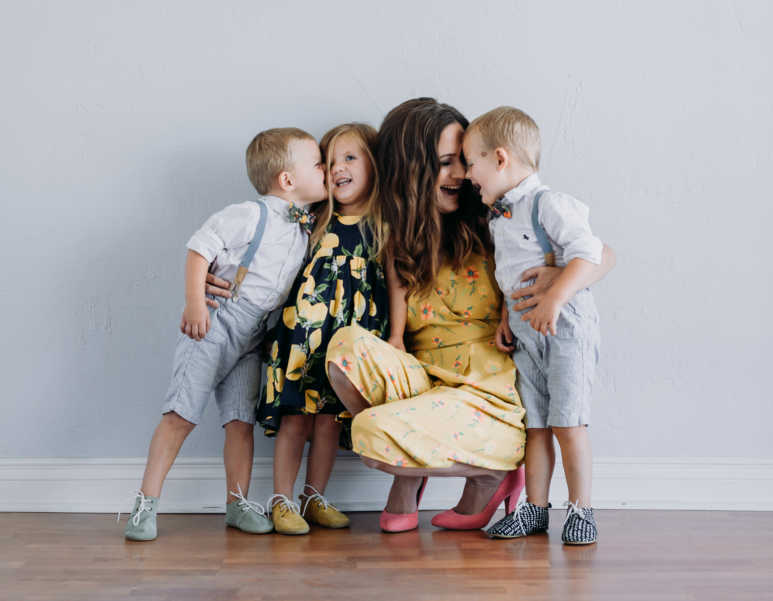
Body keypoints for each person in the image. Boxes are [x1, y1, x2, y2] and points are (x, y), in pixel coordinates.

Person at [324, 97, 615, 533]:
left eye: (464, 161)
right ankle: (417, 468)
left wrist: (556, 278)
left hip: (486, 395)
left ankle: (488, 474)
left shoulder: (496, 216)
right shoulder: (398, 235)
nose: (461, 174)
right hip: (425, 382)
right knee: (345, 346)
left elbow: (602, 253)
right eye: (446, 163)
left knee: (372, 430)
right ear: (412, 169)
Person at [123, 128, 325, 541]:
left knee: (240, 420)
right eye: (318, 163)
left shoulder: (305, 228)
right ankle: (145, 504)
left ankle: (237, 503)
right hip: (218, 322)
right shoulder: (250, 214)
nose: (325, 168)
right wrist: (196, 302)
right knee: (181, 413)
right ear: (287, 180)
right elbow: (201, 248)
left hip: (255, 335)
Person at [463, 106, 606, 545]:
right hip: (526, 330)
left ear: (500, 158)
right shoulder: (499, 216)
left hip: (564, 327)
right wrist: (509, 316)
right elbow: (513, 275)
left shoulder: (550, 204)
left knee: (569, 422)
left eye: (472, 163)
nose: (470, 175)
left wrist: (555, 299)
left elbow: (589, 254)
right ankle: (535, 509)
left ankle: (581, 508)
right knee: (537, 426)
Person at [256, 123, 389, 535]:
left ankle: (313, 496)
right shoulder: (313, 217)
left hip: (349, 340)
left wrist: (395, 336)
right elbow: (270, 255)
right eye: (328, 162)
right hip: (303, 336)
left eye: (350, 158)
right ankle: (280, 498)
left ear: (374, 164)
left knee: (330, 417)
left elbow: (399, 283)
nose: (337, 169)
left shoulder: (384, 224)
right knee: (296, 415)